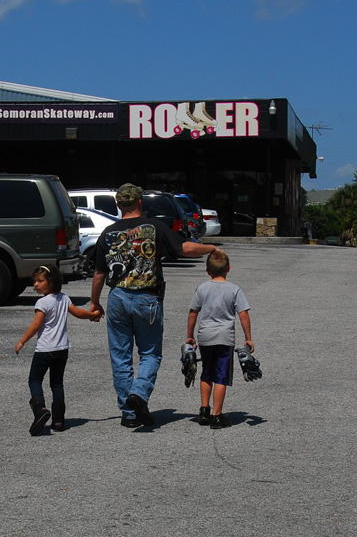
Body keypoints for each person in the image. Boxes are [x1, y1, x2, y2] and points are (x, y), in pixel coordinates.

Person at [89, 183, 221, 429]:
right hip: (147, 299)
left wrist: (95, 304)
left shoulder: (107, 233)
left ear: (118, 204)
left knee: (121, 357)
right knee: (150, 353)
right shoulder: (154, 227)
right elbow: (184, 248)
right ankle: (139, 393)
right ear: (140, 202)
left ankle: (129, 414)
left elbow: (98, 274)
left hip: (117, 297)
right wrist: (211, 247)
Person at [15, 264, 100, 434]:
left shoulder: (42, 302)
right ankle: (59, 421)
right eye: (35, 281)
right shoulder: (64, 298)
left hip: (45, 349)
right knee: (57, 384)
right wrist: (93, 315)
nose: (36, 284)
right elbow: (78, 313)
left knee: (34, 380)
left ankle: (40, 410)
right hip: (62, 349)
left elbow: (36, 324)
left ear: (52, 282)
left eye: (40, 281)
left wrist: (22, 341)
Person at [186, 250, 253, 429]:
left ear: (207, 271)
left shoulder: (202, 288)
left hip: (205, 337)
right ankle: (217, 416)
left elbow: (193, 312)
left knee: (206, 372)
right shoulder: (234, 290)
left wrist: (190, 336)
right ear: (228, 269)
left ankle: (204, 410)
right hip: (225, 338)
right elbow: (243, 314)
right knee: (221, 377)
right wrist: (248, 338)